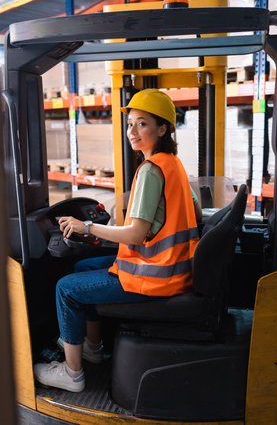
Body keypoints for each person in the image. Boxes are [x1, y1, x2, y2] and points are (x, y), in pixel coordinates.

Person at [34, 88, 202, 392]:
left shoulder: (151, 170)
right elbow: (196, 210)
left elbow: (137, 233)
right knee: (83, 267)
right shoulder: (173, 164)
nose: (132, 131)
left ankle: (71, 375)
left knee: (65, 289)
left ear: (162, 128)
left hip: (156, 277)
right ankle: (92, 348)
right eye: (130, 124)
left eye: (143, 123)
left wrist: (87, 228)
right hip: (173, 268)